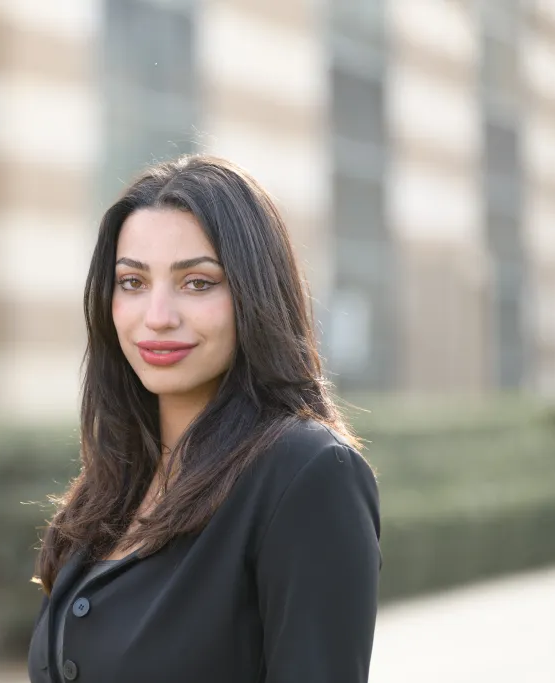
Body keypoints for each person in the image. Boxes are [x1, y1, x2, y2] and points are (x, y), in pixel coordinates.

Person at [26, 155, 381, 683]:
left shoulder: (307, 474)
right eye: (132, 282)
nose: (159, 316)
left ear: (253, 295)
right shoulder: (116, 484)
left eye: (197, 282)